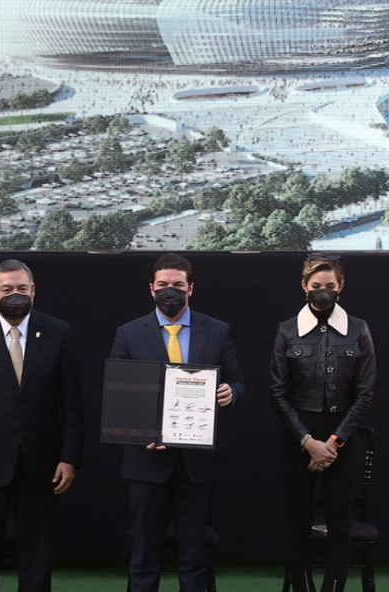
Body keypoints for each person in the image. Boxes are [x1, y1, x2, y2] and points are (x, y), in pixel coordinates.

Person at [0, 259, 85, 592]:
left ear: (34, 291)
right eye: (7, 289)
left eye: (22, 288)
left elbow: (72, 403)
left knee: (37, 552)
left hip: (42, 463)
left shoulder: (58, 331)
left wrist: (70, 458)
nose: (15, 294)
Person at [110, 253, 246, 592]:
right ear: (151, 288)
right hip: (146, 460)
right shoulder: (128, 333)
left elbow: (238, 382)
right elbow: (120, 394)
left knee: (194, 556)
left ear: (191, 288)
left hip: (196, 464)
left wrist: (232, 393)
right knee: (143, 555)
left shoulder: (216, 330)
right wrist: (145, 432)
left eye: (178, 285)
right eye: (163, 285)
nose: (170, 291)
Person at [268, 254, 376, 592]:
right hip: (298, 440)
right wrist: (306, 440)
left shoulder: (359, 329)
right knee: (298, 523)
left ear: (340, 287)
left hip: (340, 441)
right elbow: (277, 392)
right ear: (304, 287)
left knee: (339, 524)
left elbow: (365, 394)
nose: (323, 292)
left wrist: (333, 443)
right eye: (316, 287)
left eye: (330, 286)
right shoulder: (287, 330)